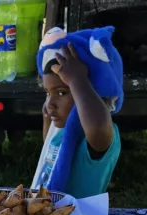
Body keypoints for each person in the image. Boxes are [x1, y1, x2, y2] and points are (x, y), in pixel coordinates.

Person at [32, 27, 123, 199]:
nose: (50, 103)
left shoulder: (100, 134)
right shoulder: (64, 128)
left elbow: (97, 126)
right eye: (47, 93)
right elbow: (51, 150)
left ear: (92, 90)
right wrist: (47, 117)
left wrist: (77, 79)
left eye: (61, 92)